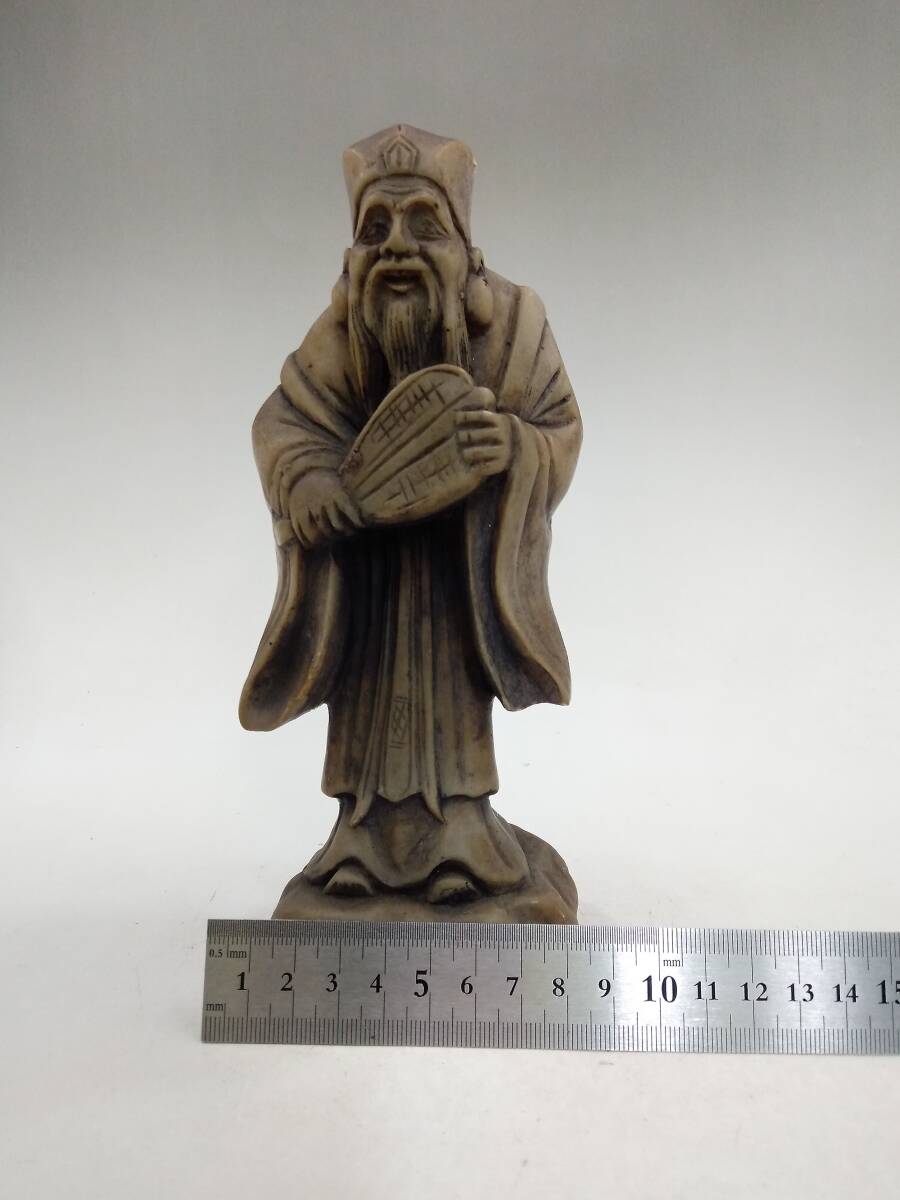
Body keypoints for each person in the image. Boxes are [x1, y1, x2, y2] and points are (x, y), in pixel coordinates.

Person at [241, 125, 581, 917]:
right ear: (350, 258)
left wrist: (515, 450)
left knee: (451, 708)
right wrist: (308, 482)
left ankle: (462, 840)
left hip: (460, 575)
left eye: (424, 225)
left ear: (467, 252)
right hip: (369, 578)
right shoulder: (340, 338)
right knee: (367, 704)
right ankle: (359, 847)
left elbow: (560, 427)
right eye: (375, 229)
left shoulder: (517, 329)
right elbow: (283, 425)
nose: (397, 247)